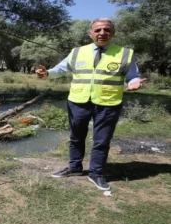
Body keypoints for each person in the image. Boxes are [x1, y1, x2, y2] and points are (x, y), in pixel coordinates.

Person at [36, 18, 147, 191]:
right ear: (90, 33)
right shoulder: (77, 52)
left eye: (106, 30)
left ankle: (95, 173)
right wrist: (46, 73)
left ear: (113, 33)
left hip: (108, 103)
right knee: (76, 137)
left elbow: (133, 75)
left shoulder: (125, 53)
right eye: (98, 30)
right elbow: (60, 69)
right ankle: (74, 168)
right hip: (78, 101)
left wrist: (135, 82)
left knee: (101, 141)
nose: (102, 33)